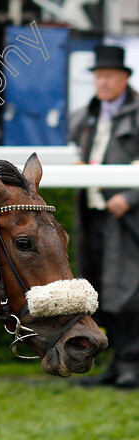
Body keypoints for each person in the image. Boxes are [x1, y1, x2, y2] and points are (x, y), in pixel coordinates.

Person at [71, 45, 139, 389]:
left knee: (126, 288)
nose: (103, 81)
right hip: (94, 213)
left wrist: (129, 196)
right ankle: (116, 364)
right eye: (98, 76)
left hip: (127, 217)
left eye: (109, 75)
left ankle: (131, 364)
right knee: (99, 286)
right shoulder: (87, 116)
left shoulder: (137, 112)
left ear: (125, 78)